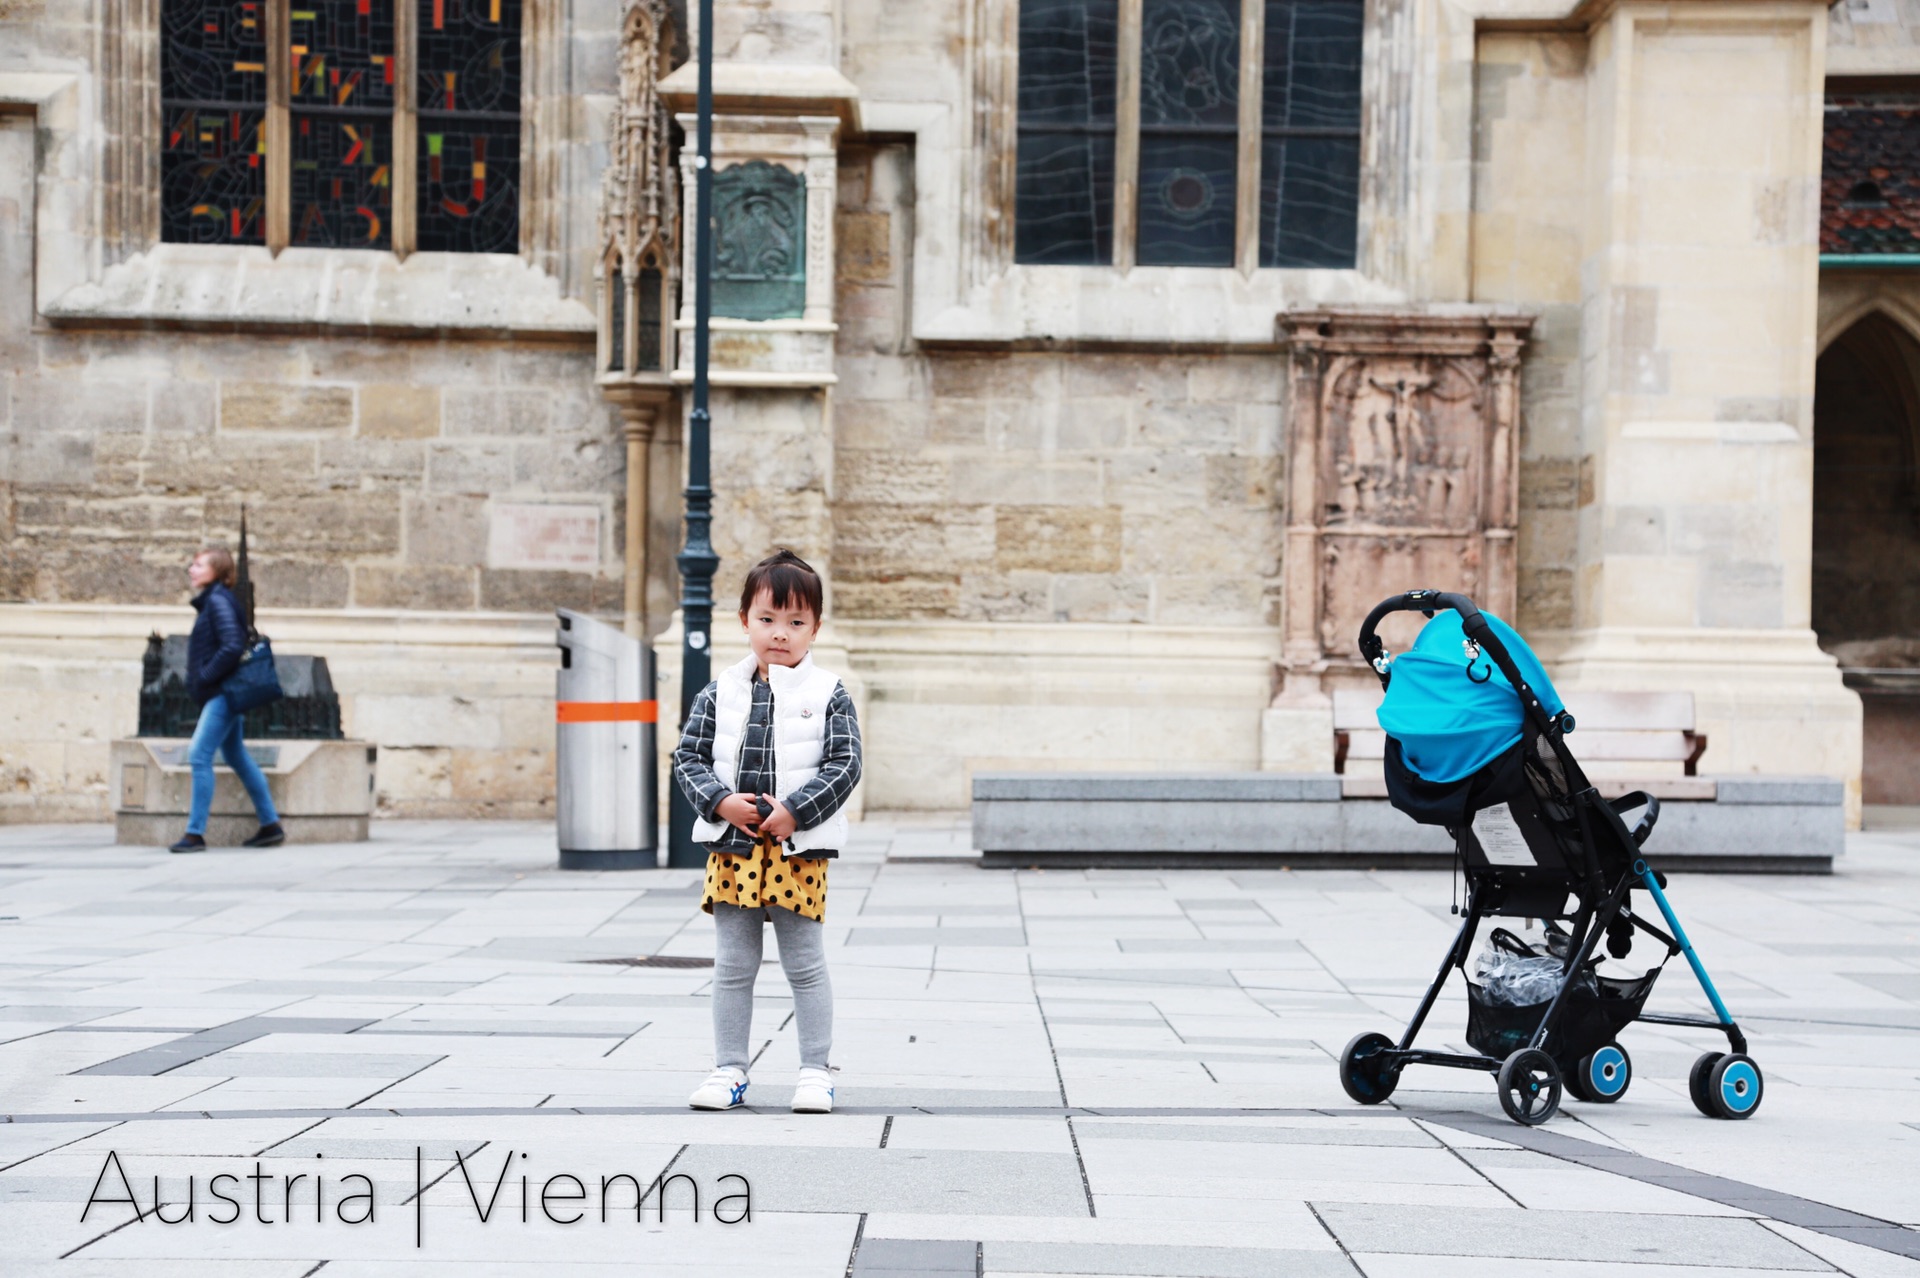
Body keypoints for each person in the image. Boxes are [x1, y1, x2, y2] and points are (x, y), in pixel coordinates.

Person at [673, 549, 862, 1114]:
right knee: (733, 966)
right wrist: (720, 802)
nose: (780, 634)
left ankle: (814, 1071)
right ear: (744, 621)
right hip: (732, 850)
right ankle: (729, 1069)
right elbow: (688, 757)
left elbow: (845, 764)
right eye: (767, 619)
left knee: (805, 964)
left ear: (815, 628)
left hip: (797, 851)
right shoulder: (718, 692)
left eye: (796, 622)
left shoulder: (828, 693)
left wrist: (797, 812)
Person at [171, 546, 284, 854]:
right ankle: (270, 825)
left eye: (198, 565)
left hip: (222, 693)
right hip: (224, 692)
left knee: (199, 755)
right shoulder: (214, 601)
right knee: (236, 756)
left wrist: (206, 676)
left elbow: (232, 645)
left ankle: (194, 834)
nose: (192, 570)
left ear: (217, 571)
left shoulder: (218, 601)